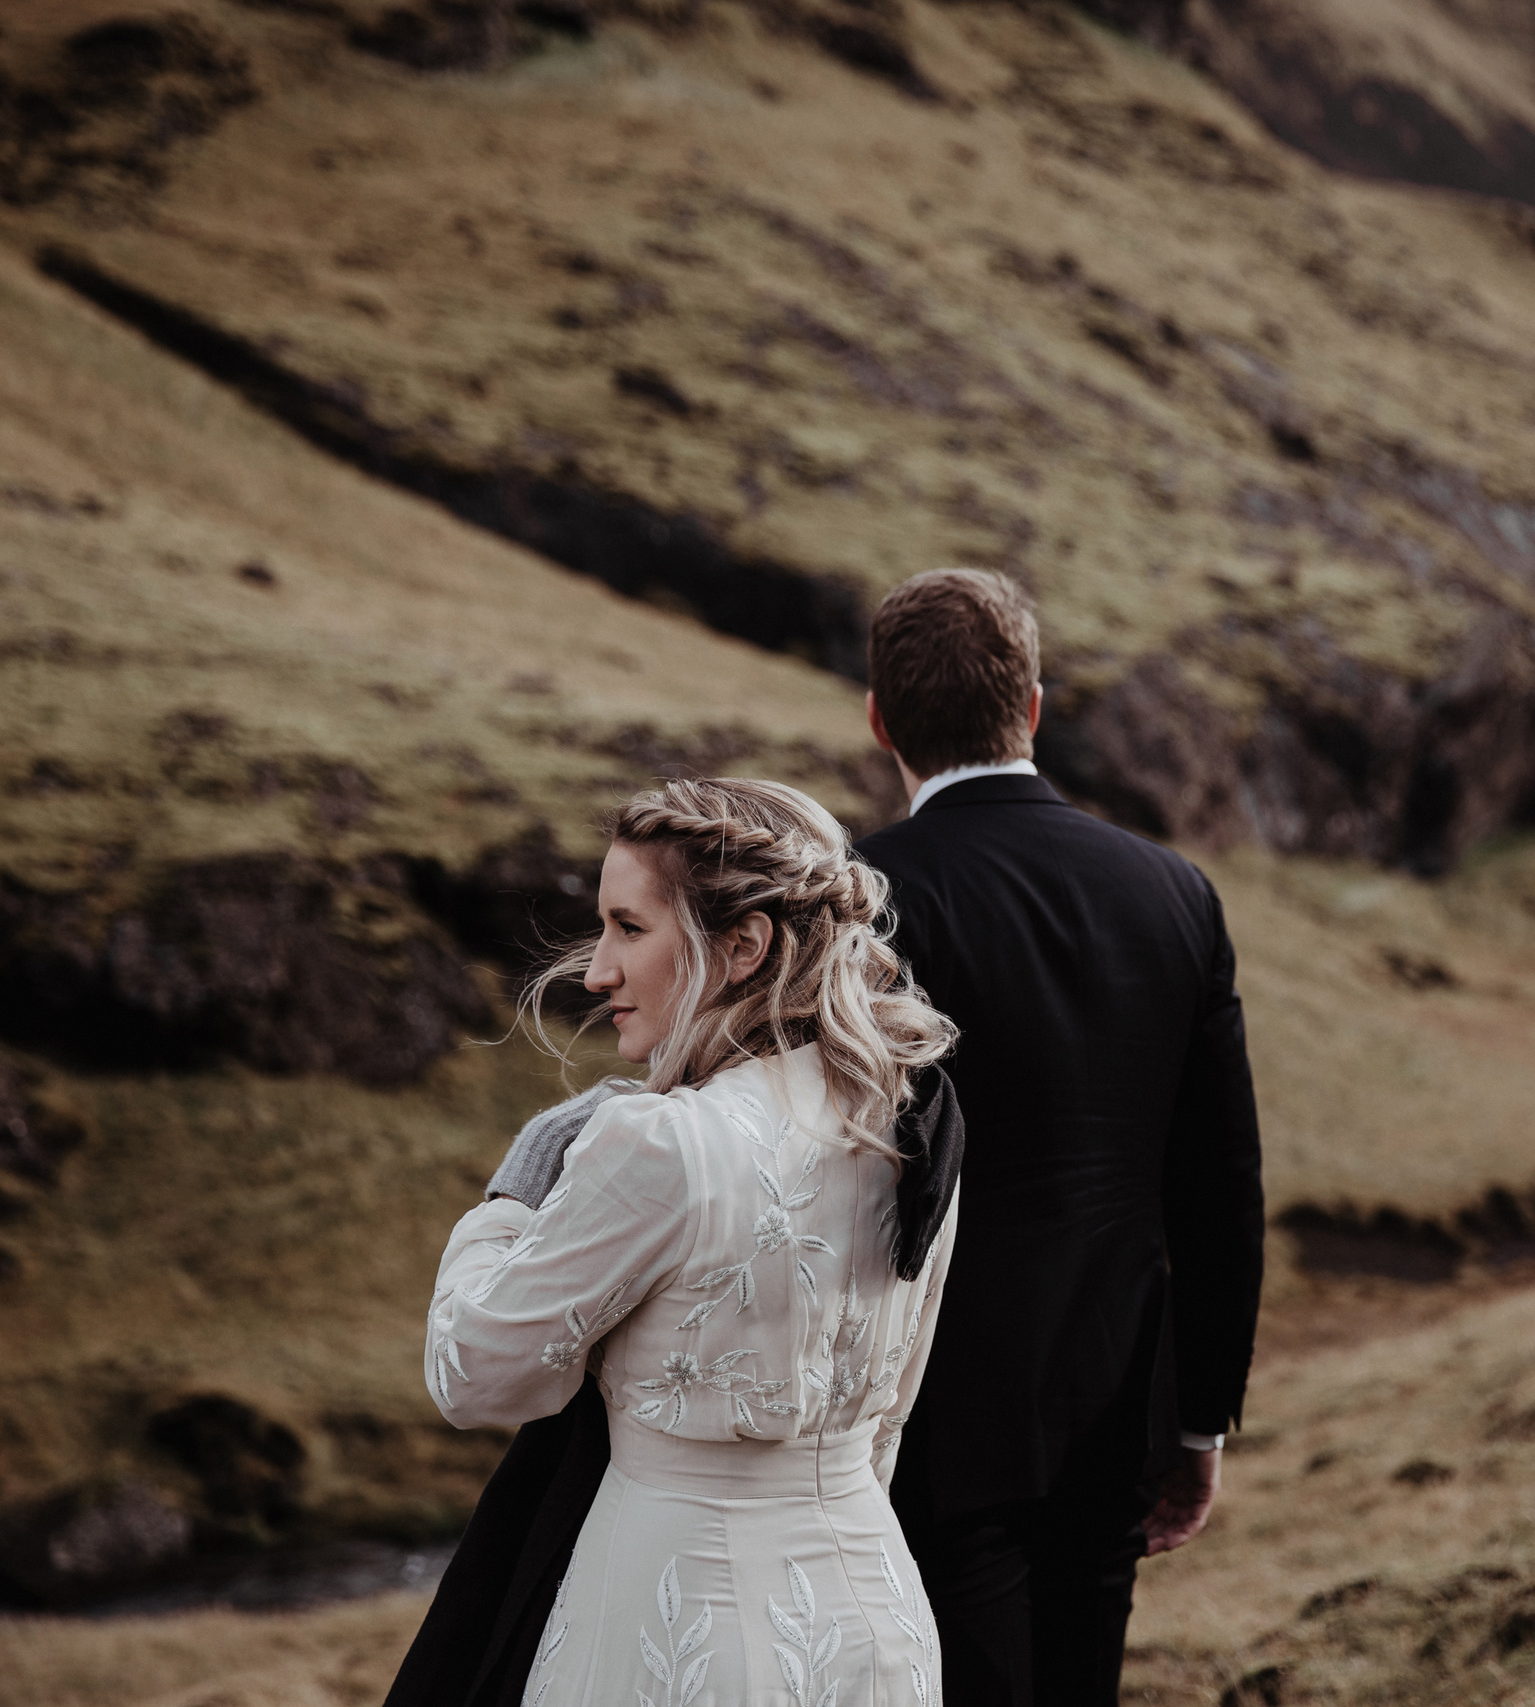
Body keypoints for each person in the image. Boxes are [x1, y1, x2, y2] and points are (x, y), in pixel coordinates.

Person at [388, 778, 965, 1707]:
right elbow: (889, 1417)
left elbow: (471, 1371)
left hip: (673, 1634)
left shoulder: (663, 1143)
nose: (595, 971)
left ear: (742, 945)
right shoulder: (906, 1116)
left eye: (629, 927)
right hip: (878, 1629)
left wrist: (517, 1187)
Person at [855, 569, 1266, 1707]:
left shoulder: (863, 903)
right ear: (1033, 706)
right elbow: (1220, 1182)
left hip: (925, 1414)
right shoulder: (1174, 894)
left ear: (880, 721)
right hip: (1113, 1395)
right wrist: (1197, 1419)